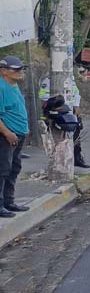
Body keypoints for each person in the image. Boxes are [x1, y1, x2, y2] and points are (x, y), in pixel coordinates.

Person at [0, 56, 30, 218]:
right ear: (4, 71)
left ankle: (8, 201)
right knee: (3, 168)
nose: (19, 72)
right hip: (7, 135)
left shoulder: (14, 86)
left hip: (19, 134)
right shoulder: (1, 87)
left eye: (21, 69)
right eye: (15, 69)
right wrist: (7, 133)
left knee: (14, 167)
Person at [65, 80, 89, 168]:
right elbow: (44, 96)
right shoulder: (51, 80)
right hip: (60, 114)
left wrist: (77, 112)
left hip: (72, 113)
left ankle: (77, 159)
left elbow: (76, 97)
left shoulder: (71, 81)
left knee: (76, 139)